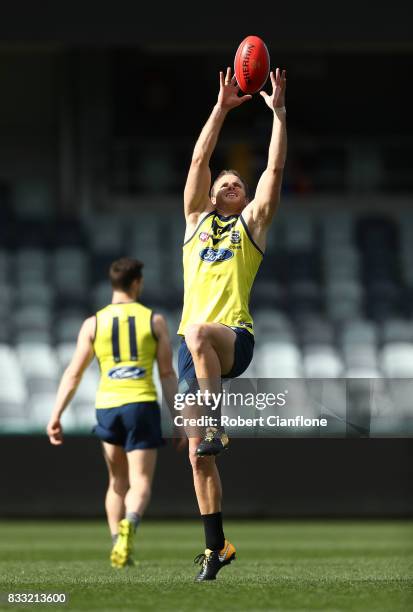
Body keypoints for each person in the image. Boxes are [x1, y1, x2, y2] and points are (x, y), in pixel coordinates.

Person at [177, 67, 287, 581]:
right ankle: (216, 548)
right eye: (225, 181)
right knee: (199, 460)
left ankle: (219, 424)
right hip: (190, 352)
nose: (231, 183)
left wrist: (278, 115)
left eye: (237, 183)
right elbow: (200, 157)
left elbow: (273, 172)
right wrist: (221, 107)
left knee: (200, 332)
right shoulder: (195, 222)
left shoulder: (251, 228)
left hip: (232, 340)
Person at [47, 257, 178, 568]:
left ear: (113, 284)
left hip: (107, 406)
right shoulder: (154, 321)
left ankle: (117, 543)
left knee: (116, 482)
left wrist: (56, 414)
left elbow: (73, 373)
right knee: (140, 481)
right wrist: (180, 420)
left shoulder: (93, 323)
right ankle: (130, 524)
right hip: (141, 405)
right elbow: (167, 374)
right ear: (137, 283)